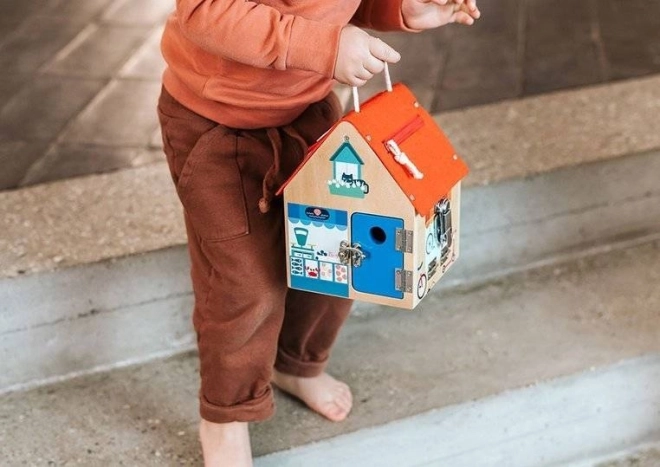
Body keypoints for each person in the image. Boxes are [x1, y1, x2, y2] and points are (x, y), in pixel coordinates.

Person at [157, 0, 480, 465]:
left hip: (308, 109)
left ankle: (297, 362)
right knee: (244, 283)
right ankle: (226, 415)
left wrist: (399, 10)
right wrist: (325, 46)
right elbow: (205, 12)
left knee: (342, 254)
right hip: (215, 123)